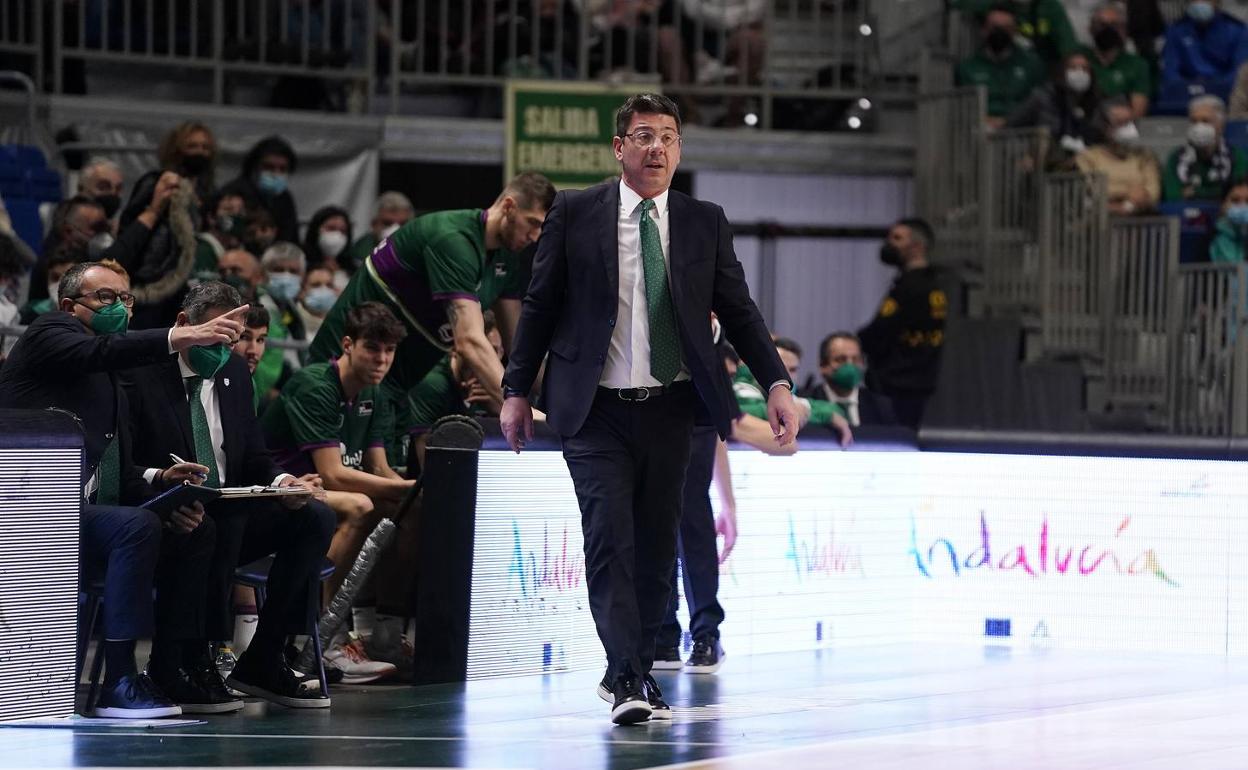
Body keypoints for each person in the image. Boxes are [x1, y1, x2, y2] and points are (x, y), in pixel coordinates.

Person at [499, 93, 799, 725]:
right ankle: (632, 677)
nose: (656, 146)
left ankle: (627, 670)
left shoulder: (704, 220)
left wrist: (775, 382)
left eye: (668, 136)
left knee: (659, 549)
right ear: (620, 148)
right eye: (642, 136)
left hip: (675, 408)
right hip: (595, 408)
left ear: (680, 149)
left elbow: (740, 312)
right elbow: (540, 303)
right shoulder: (576, 214)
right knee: (610, 537)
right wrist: (516, 390)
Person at [0, 260, 246, 718]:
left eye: (126, 298)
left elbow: (116, 470)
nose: (120, 307)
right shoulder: (48, 332)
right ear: (70, 305)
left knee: (194, 528)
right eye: (106, 297)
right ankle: (119, 679)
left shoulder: (110, 381)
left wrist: (160, 482)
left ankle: (171, 667)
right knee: (133, 526)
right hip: (26, 510)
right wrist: (180, 338)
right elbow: (95, 353)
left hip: (80, 515)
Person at [122, 281, 336, 709]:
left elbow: (254, 457)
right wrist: (164, 487)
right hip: (164, 511)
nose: (225, 349)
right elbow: (123, 462)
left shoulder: (234, 373)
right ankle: (186, 660)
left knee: (315, 517)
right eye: (217, 335)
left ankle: (265, 656)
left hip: (227, 509)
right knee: (220, 521)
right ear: (184, 324)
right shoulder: (140, 373)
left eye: (232, 340)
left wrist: (282, 485)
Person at [309, 173, 555, 461]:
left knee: (397, 493)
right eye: (533, 223)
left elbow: (520, 348)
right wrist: (519, 408)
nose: (535, 237)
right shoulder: (453, 239)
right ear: (509, 206)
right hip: (338, 377)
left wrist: (561, 408)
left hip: (396, 387)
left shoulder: (506, 259)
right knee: (353, 494)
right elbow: (470, 341)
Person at [262, 302, 416, 683]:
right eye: (372, 348)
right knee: (360, 505)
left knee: (404, 510)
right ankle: (324, 638)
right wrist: (409, 485)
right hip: (279, 493)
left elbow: (378, 469)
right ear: (348, 344)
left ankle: (383, 633)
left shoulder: (375, 394)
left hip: (318, 495)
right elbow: (333, 475)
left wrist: (409, 493)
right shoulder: (316, 384)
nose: (382, 360)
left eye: (389, 351)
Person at [113, 121, 217, 328]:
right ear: (177, 150)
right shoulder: (156, 182)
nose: (200, 153)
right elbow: (130, 223)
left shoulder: (206, 193)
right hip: (150, 282)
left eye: (205, 148)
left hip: (181, 286)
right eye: (193, 146)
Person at [858, 218, 948, 430]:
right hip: (917, 380)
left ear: (917, 246)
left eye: (897, 238)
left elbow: (881, 329)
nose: (890, 244)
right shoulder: (931, 284)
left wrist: (859, 342)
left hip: (898, 382)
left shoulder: (911, 287)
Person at [1006, 51, 1105, 166]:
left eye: (1084, 69)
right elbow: (1011, 126)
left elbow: (1096, 135)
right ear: (1062, 72)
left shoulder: (1095, 102)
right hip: (1040, 162)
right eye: (1073, 68)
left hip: (1079, 163)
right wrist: (1022, 154)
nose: (1080, 73)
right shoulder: (1043, 97)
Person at [956, 5, 1045, 126]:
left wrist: (1006, 122)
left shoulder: (1031, 66)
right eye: (994, 27)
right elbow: (961, 109)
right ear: (984, 30)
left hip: (1020, 133)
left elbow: (1038, 106)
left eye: (1006, 28)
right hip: (978, 133)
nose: (999, 33)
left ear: (1014, 32)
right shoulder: (967, 69)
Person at [1075, 98, 1162, 215]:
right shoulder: (1088, 157)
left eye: (1132, 123)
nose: (1130, 129)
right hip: (1098, 222)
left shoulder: (1145, 156)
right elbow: (1093, 191)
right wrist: (1127, 194)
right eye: (1122, 123)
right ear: (1105, 127)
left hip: (1139, 219)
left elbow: (1152, 194)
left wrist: (1128, 206)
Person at [798, 332, 898, 428]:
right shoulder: (805, 403)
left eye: (856, 359)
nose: (850, 366)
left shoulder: (881, 406)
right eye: (841, 359)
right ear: (823, 366)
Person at [1160, 0, 1248, 108]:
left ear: (1217, 2)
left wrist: (1214, 87)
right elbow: (1171, 72)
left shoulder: (1237, 30)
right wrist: (1187, 87)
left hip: (1224, 93)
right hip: (1184, 93)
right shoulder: (1176, 30)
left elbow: (1239, 71)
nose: (1199, 2)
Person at [1163, 95, 1248, 202]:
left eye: (1206, 121)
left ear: (1221, 125)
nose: (1199, 127)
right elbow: (1173, 197)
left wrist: (1195, 193)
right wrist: (1218, 193)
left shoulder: (1236, 157)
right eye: (1194, 121)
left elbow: (1236, 196)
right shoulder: (1175, 158)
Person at [223, 136, 301, 244]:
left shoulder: (285, 198)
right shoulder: (233, 193)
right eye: (269, 167)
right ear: (254, 167)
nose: (276, 174)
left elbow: (292, 239)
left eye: (282, 169)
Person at [1082, 2, 1151, 118]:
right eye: (1102, 25)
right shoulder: (1080, 59)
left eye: (1114, 25)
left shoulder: (1137, 65)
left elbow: (1138, 110)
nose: (1108, 30)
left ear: (1123, 30)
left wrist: (1126, 114)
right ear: (1091, 28)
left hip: (1122, 126)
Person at [343, 192, 414, 272]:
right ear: (373, 224)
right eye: (387, 223)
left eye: (403, 224)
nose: (396, 230)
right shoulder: (360, 252)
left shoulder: (419, 251)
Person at [193, 190, 248, 285]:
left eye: (240, 211)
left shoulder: (239, 249)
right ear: (211, 218)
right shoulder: (203, 250)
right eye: (229, 210)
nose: (236, 215)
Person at [301, 205, 354, 288]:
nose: (337, 235)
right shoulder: (301, 262)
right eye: (331, 228)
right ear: (316, 230)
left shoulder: (353, 269)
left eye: (343, 231)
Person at [1207, 179, 1248, 262]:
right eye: (1235, 200)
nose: (1243, 206)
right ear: (1223, 205)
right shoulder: (1220, 240)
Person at [297, 266, 339, 340]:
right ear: (302, 291)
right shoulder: (292, 322)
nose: (324, 290)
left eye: (329, 285)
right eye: (316, 285)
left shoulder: (342, 325)